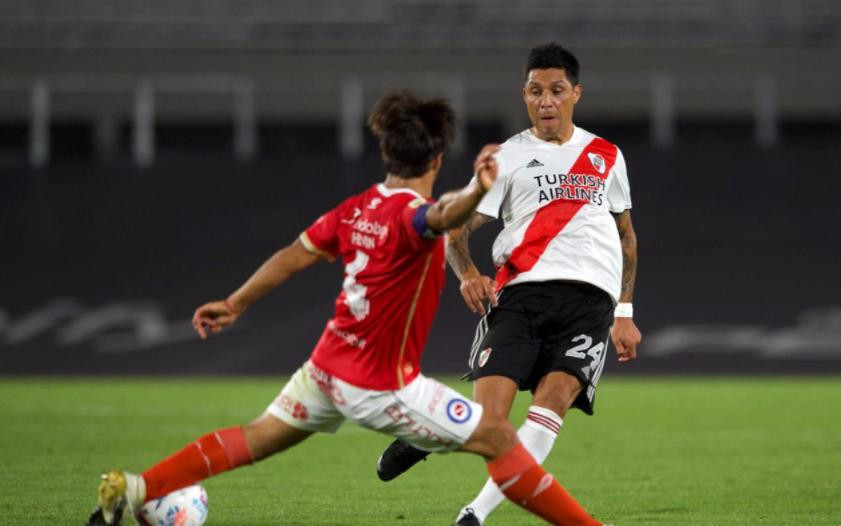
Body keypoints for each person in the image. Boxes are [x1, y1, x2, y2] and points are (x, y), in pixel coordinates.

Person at [86, 91, 608, 526]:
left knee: (254, 438)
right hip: (379, 385)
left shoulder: (356, 207)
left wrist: (234, 302)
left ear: (387, 156)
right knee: (497, 437)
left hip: (325, 369)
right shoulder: (414, 217)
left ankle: (135, 488)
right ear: (436, 161)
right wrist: (480, 189)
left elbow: (294, 256)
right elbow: (444, 213)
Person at [375, 43, 642, 526]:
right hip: (523, 296)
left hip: (590, 305)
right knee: (491, 422)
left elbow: (625, 235)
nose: (546, 101)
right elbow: (456, 230)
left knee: (551, 407)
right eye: (536, 91)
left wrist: (624, 313)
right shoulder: (509, 157)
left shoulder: (607, 155)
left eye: (556, 90)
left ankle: (474, 515)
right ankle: (427, 434)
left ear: (575, 93)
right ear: (524, 96)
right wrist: (469, 274)